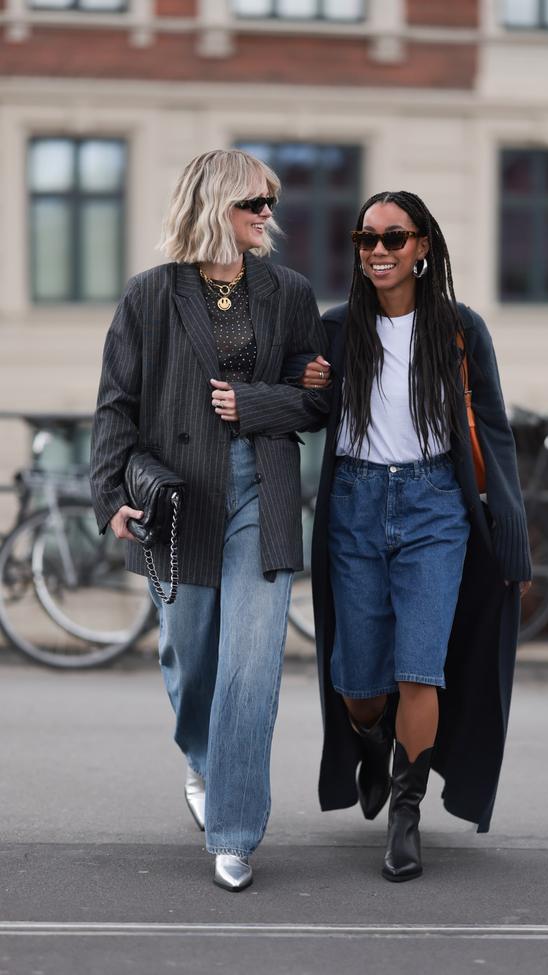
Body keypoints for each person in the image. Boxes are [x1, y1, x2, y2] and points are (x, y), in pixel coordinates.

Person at [90, 148, 330, 892]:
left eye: (269, 203)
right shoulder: (150, 295)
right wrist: (110, 496)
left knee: (251, 665)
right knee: (190, 655)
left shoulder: (289, 292)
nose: (268, 216)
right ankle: (201, 758)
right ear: (215, 205)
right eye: (253, 204)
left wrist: (254, 402)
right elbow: (116, 405)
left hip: (263, 488)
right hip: (179, 498)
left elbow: (319, 400)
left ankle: (233, 829)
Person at [307, 190, 532, 883]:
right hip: (354, 504)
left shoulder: (461, 329)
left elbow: (494, 433)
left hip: (437, 505)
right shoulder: (336, 329)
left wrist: (514, 537)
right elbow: (309, 416)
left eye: (394, 238)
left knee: (419, 668)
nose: (378, 250)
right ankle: (373, 748)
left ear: (423, 246)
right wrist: (309, 384)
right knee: (361, 685)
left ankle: (406, 813)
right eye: (366, 238)